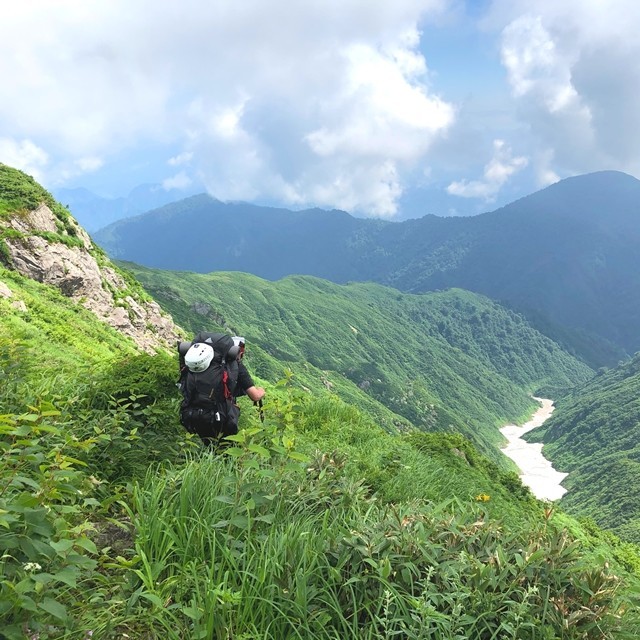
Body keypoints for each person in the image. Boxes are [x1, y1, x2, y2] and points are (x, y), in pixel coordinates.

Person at [179, 334, 265, 447]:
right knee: (226, 450)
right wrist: (262, 391)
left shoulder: (200, 364)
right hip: (220, 417)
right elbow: (255, 396)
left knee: (206, 444)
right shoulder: (237, 367)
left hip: (192, 413)